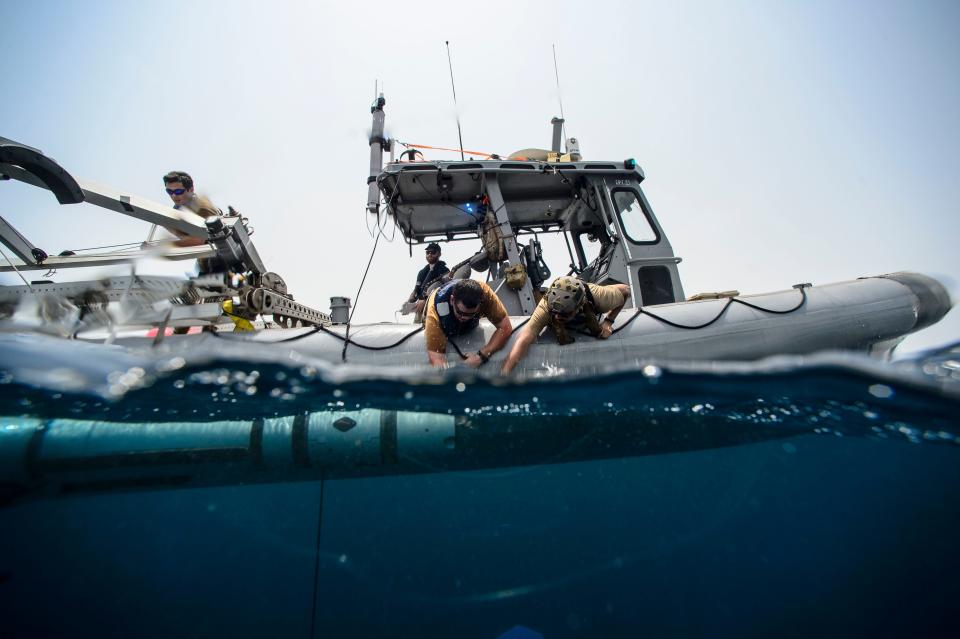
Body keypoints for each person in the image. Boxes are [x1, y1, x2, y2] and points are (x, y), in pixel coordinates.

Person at [501, 276, 630, 374]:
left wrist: (609, 321)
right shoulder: (545, 307)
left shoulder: (599, 297)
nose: (558, 317)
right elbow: (523, 340)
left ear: (578, 307)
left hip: (588, 295)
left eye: (564, 315)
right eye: (554, 312)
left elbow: (626, 290)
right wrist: (504, 375)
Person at [423, 278, 513, 368]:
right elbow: (436, 359)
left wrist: (481, 356)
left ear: (480, 304)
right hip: (438, 306)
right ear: (452, 300)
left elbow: (505, 327)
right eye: (460, 312)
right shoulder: (434, 314)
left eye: (470, 314)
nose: (464, 318)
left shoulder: (486, 295)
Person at [407, 242, 450, 322]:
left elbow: (443, 290)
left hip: (434, 308)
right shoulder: (422, 272)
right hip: (420, 309)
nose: (430, 254)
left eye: (433, 252)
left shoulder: (444, 271)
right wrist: (409, 302)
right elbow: (416, 289)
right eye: (428, 252)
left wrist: (425, 300)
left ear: (439, 254)